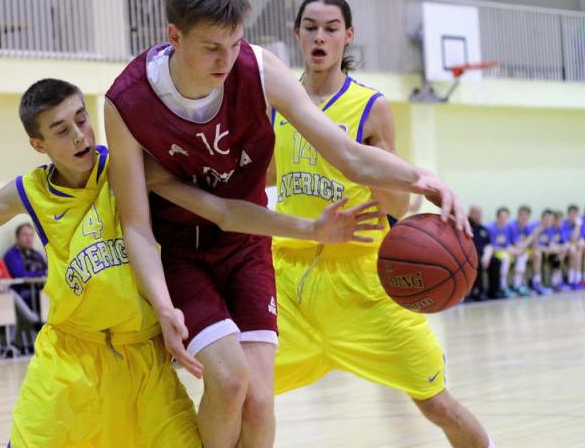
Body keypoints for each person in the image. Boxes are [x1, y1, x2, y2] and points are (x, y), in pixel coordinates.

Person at [0, 78, 376, 448]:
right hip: (70, 363)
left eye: (82, 118)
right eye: (62, 129)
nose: (81, 134)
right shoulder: (28, 192)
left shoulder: (131, 169)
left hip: (143, 364)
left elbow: (224, 209)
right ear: (39, 145)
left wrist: (308, 228)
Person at [104, 1, 469, 446]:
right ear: (174, 37)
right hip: (194, 249)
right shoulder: (127, 102)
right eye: (213, 48)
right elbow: (139, 223)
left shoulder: (258, 70)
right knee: (231, 382)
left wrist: (422, 179)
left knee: (260, 402)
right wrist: (162, 307)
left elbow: (350, 159)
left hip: (262, 247)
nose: (227, 60)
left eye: (236, 43)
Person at [268, 2, 497, 448]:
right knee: (244, 394)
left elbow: (401, 203)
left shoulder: (369, 108)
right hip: (289, 283)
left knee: (438, 405)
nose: (320, 37)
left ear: (347, 36)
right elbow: (264, 178)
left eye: (331, 28)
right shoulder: (276, 106)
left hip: (367, 283)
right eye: (310, 27)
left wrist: (373, 168)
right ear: (296, 34)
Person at [4, 223, 47, 316]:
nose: (29, 238)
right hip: (23, 293)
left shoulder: (37, 254)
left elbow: (48, 271)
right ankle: (40, 325)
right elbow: (20, 274)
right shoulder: (12, 255)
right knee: (42, 297)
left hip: (41, 289)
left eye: (31, 235)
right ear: (17, 237)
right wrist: (40, 274)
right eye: (25, 235)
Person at [506, 205, 535, 296]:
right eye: (522, 215)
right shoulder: (512, 226)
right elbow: (517, 244)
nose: (524, 217)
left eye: (526, 216)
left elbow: (531, 244)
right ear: (518, 215)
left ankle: (534, 282)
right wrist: (531, 237)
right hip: (509, 250)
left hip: (521, 250)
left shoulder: (528, 227)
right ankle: (517, 285)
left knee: (536, 254)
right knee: (521, 255)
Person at [468, 205, 494, 301]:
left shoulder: (483, 229)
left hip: (483, 255)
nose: (479, 216)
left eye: (480, 213)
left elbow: (489, 244)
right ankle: (477, 291)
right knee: (477, 260)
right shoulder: (466, 226)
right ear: (470, 213)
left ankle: (494, 291)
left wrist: (487, 257)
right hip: (470, 256)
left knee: (496, 261)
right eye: (476, 213)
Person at [561, 204, 582, 289]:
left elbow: (580, 238)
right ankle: (571, 280)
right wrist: (577, 226)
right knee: (573, 251)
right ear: (568, 214)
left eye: (575, 214)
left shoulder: (580, 223)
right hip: (565, 246)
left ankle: (578, 279)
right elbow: (572, 238)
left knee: (580, 248)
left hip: (575, 246)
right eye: (571, 213)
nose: (573, 215)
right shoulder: (564, 224)